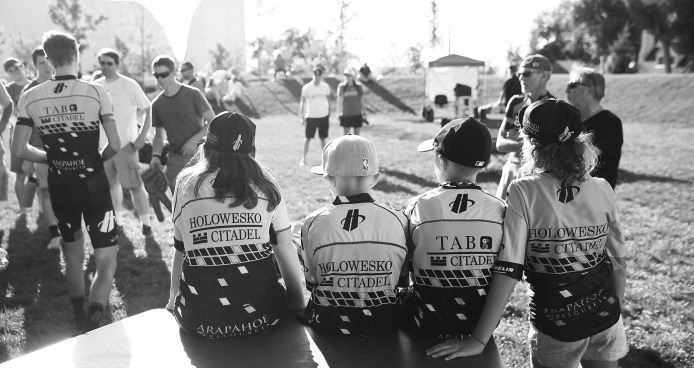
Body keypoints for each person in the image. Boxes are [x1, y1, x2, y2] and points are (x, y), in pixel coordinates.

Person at [428, 99, 627, 368]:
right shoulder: (603, 187)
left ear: (530, 143)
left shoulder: (524, 191)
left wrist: (479, 338)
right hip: (606, 317)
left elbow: (509, 269)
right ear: (580, 143)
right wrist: (612, 308)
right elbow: (618, 261)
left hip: (555, 320)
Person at [13, 30, 122, 333]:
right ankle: (95, 317)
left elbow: (19, 150)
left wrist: (50, 157)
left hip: (61, 185)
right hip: (95, 183)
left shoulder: (30, 96)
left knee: (72, 256)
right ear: (76, 55)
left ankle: (78, 317)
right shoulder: (97, 92)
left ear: (47, 59)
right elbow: (115, 143)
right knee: (106, 259)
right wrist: (97, 157)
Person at [166, 111, 305, 338]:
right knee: (289, 237)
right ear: (252, 151)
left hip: (197, 321)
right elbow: (284, 247)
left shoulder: (185, 182)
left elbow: (181, 248)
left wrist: (173, 301)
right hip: (265, 317)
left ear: (206, 148)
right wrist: (298, 304)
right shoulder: (267, 183)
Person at [405, 118, 506, 339]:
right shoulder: (500, 208)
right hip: (480, 325)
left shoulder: (418, 206)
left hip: (426, 322)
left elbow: (406, 267)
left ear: (441, 162)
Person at [299, 135, 409, 336]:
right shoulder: (399, 219)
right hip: (384, 323)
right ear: (375, 178)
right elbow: (402, 280)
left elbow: (312, 281)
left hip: (329, 324)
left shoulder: (312, 222)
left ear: (329, 178)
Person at [95, 48, 154, 235]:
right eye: (102, 63)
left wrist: (141, 137)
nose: (106, 67)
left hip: (126, 146)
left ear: (117, 65)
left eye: (109, 63)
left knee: (136, 187)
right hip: (104, 149)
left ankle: (146, 225)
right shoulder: (95, 86)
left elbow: (147, 109)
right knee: (112, 187)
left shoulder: (129, 84)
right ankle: (117, 223)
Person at [149, 55, 215, 191]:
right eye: (156, 75)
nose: (160, 79)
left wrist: (194, 140)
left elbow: (213, 121)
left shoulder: (193, 94)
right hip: (174, 158)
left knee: (203, 198)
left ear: (174, 73)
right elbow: (158, 135)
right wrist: (155, 155)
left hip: (199, 156)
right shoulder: (156, 104)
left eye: (164, 74)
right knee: (179, 204)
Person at [495, 54, 555, 200]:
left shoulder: (554, 107)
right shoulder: (515, 102)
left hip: (539, 174)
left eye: (526, 74)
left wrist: (517, 144)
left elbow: (553, 150)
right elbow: (500, 144)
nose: (521, 78)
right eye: (519, 74)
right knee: (499, 217)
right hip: (513, 167)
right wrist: (530, 144)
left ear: (545, 76)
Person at [19, 47, 62, 248]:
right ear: (34, 65)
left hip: (65, 148)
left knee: (67, 191)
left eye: (48, 61)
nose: (46, 66)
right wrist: (27, 156)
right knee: (46, 191)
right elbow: (24, 128)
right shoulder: (28, 91)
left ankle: (71, 229)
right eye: (41, 63)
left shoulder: (63, 85)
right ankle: (55, 232)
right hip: (41, 150)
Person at [566, 66, 623, 189]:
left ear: (590, 91)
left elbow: (581, 158)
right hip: (570, 196)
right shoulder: (570, 120)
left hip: (596, 199)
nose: (567, 90)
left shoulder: (609, 122)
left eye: (572, 85)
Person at [4, 57, 31, 213]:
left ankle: (43, 207)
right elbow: (10, 114)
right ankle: (23, 208)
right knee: (21, 174)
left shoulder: (34, 85)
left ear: (23, 66)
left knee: (40, 175)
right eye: (11, 71)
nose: (16, 73)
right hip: (18, 136)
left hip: (38, 136)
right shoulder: (8, 89)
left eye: (17, 68)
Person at [299, 65, 331, 166]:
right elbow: (302, 103)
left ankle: (325, 160)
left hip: (323, 116)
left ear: (321, 76)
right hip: (311, 116)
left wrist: (329, 112)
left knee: (323, 138)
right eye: (315, 74)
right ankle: (303, 159)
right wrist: (302, 116)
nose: (317, 76)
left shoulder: (325, 87)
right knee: (307, 138)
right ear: (313, 75)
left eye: (319, 75)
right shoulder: (306, 88)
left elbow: (329, 101)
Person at [336, 68, 365, 135]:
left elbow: (362, 100)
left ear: (353, 76)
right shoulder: (341, 86)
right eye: (346, 76)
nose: (348, 77)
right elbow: (339, 100)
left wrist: (364, 112)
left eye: (349, 76)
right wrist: (338, 113)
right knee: (346, 137)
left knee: (357, 137)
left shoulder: (358, 86)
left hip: (357, 113)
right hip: (346, 114)